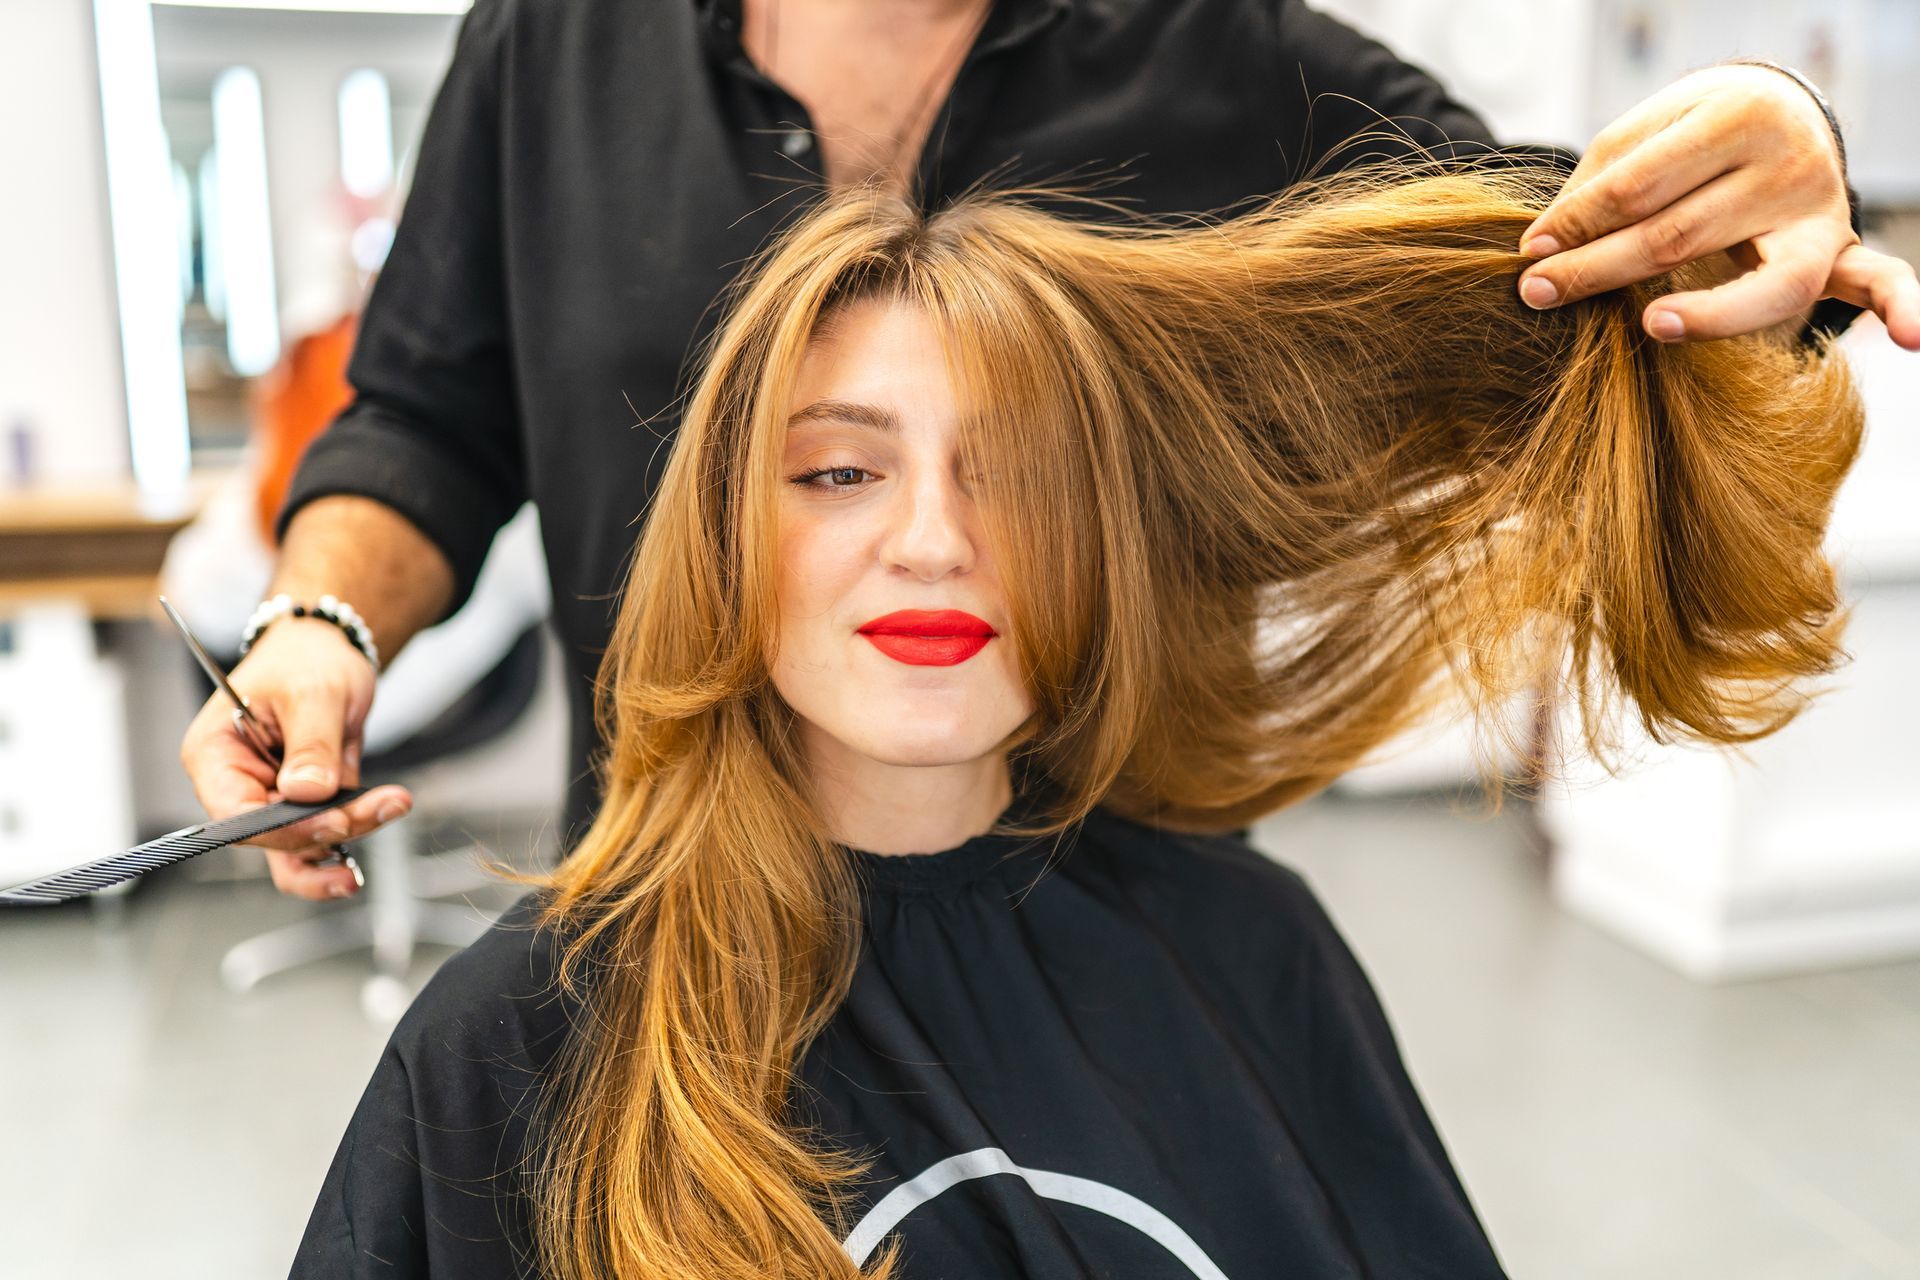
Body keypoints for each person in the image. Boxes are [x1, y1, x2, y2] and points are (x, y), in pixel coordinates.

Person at [291, 162, 1863, 1277]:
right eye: (840, 470)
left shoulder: (1254, 951)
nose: (930, 538)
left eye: (1014, 474)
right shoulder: (521, 1044)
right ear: (726, 539)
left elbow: (1574, 232)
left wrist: (1752, 196)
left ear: (1100, 537)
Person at [177, 0, 1919, 903]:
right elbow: (422, 411)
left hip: (1117, 904)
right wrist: (318, 631)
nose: (927, 542)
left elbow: (1574, 270)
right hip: (669, 892)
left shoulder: (1222, 55)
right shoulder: (551, 46)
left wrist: (1771, 170)